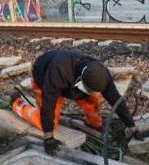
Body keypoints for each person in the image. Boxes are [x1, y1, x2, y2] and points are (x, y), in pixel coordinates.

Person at [10, 49, 140, 155]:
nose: (89, 92)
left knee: (93, 100)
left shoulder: (100, 74)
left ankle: (94, 124)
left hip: (69, 81)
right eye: (88, 89)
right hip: (44, 78)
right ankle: (17, 103)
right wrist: (48, 137)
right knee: (46, 122)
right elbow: (48, 102)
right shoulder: (60, 70)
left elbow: (115, 99)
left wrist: (132, 126)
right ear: (81, 79)